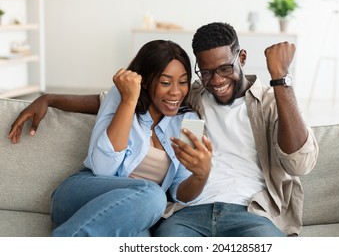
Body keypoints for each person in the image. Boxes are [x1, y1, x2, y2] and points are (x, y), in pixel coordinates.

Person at [9, 22, 318, 237]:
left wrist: (280, 79)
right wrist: (49, 98)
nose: (216, 80)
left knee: (141, 237)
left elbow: (300, 163)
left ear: (242, 58)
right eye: (205, 72)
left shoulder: (199, 114)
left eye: (225, 68)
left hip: (232, 213)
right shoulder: (159, 100)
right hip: (131, 203)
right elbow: (109, 117)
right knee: (152, 200)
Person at [24, 39, 212, 237]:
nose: (176, 91)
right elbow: (103, 168)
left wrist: (202, 174)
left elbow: (180, 194)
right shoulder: (120, 98)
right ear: (145, 82)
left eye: (183, 82)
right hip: (82, 195)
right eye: (166, 82)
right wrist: (129, 100)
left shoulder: (188, 120)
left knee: (144, 237)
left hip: (132, 214)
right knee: (154, 195)